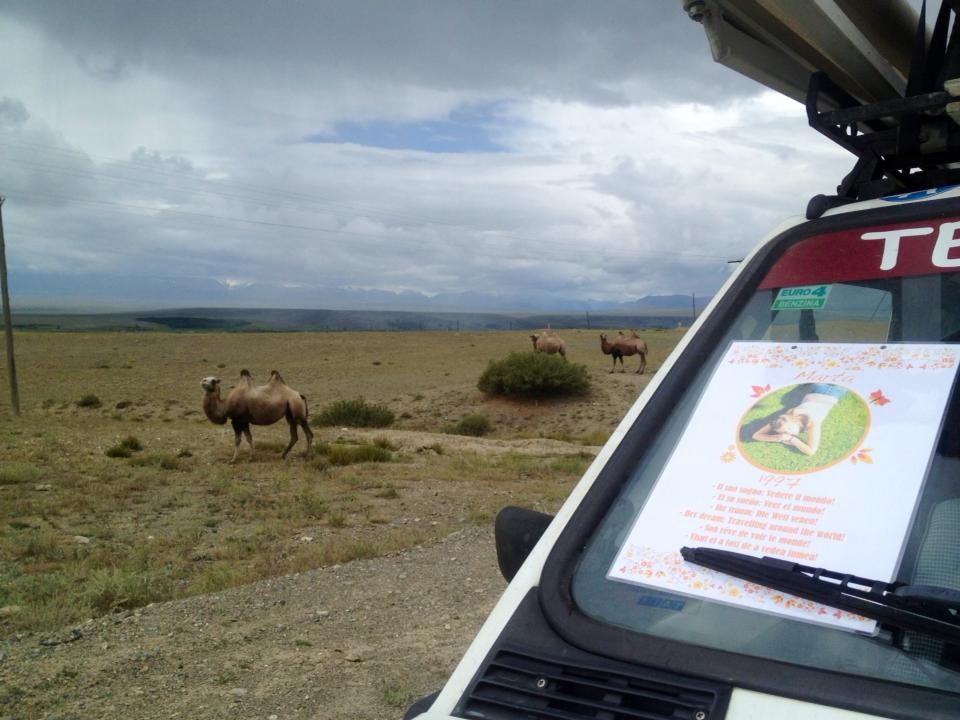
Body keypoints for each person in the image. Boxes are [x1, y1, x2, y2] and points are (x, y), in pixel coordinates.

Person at [751, 384, 847, 456]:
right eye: (785, 432)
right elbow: (755, 436)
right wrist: (779, 437)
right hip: (816, 389)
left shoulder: (813, 423)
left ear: (795, 421)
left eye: (789, 429)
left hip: (835, 392)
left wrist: (792, 439)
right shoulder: (785, 418)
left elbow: (811, 451)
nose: (789, 433)